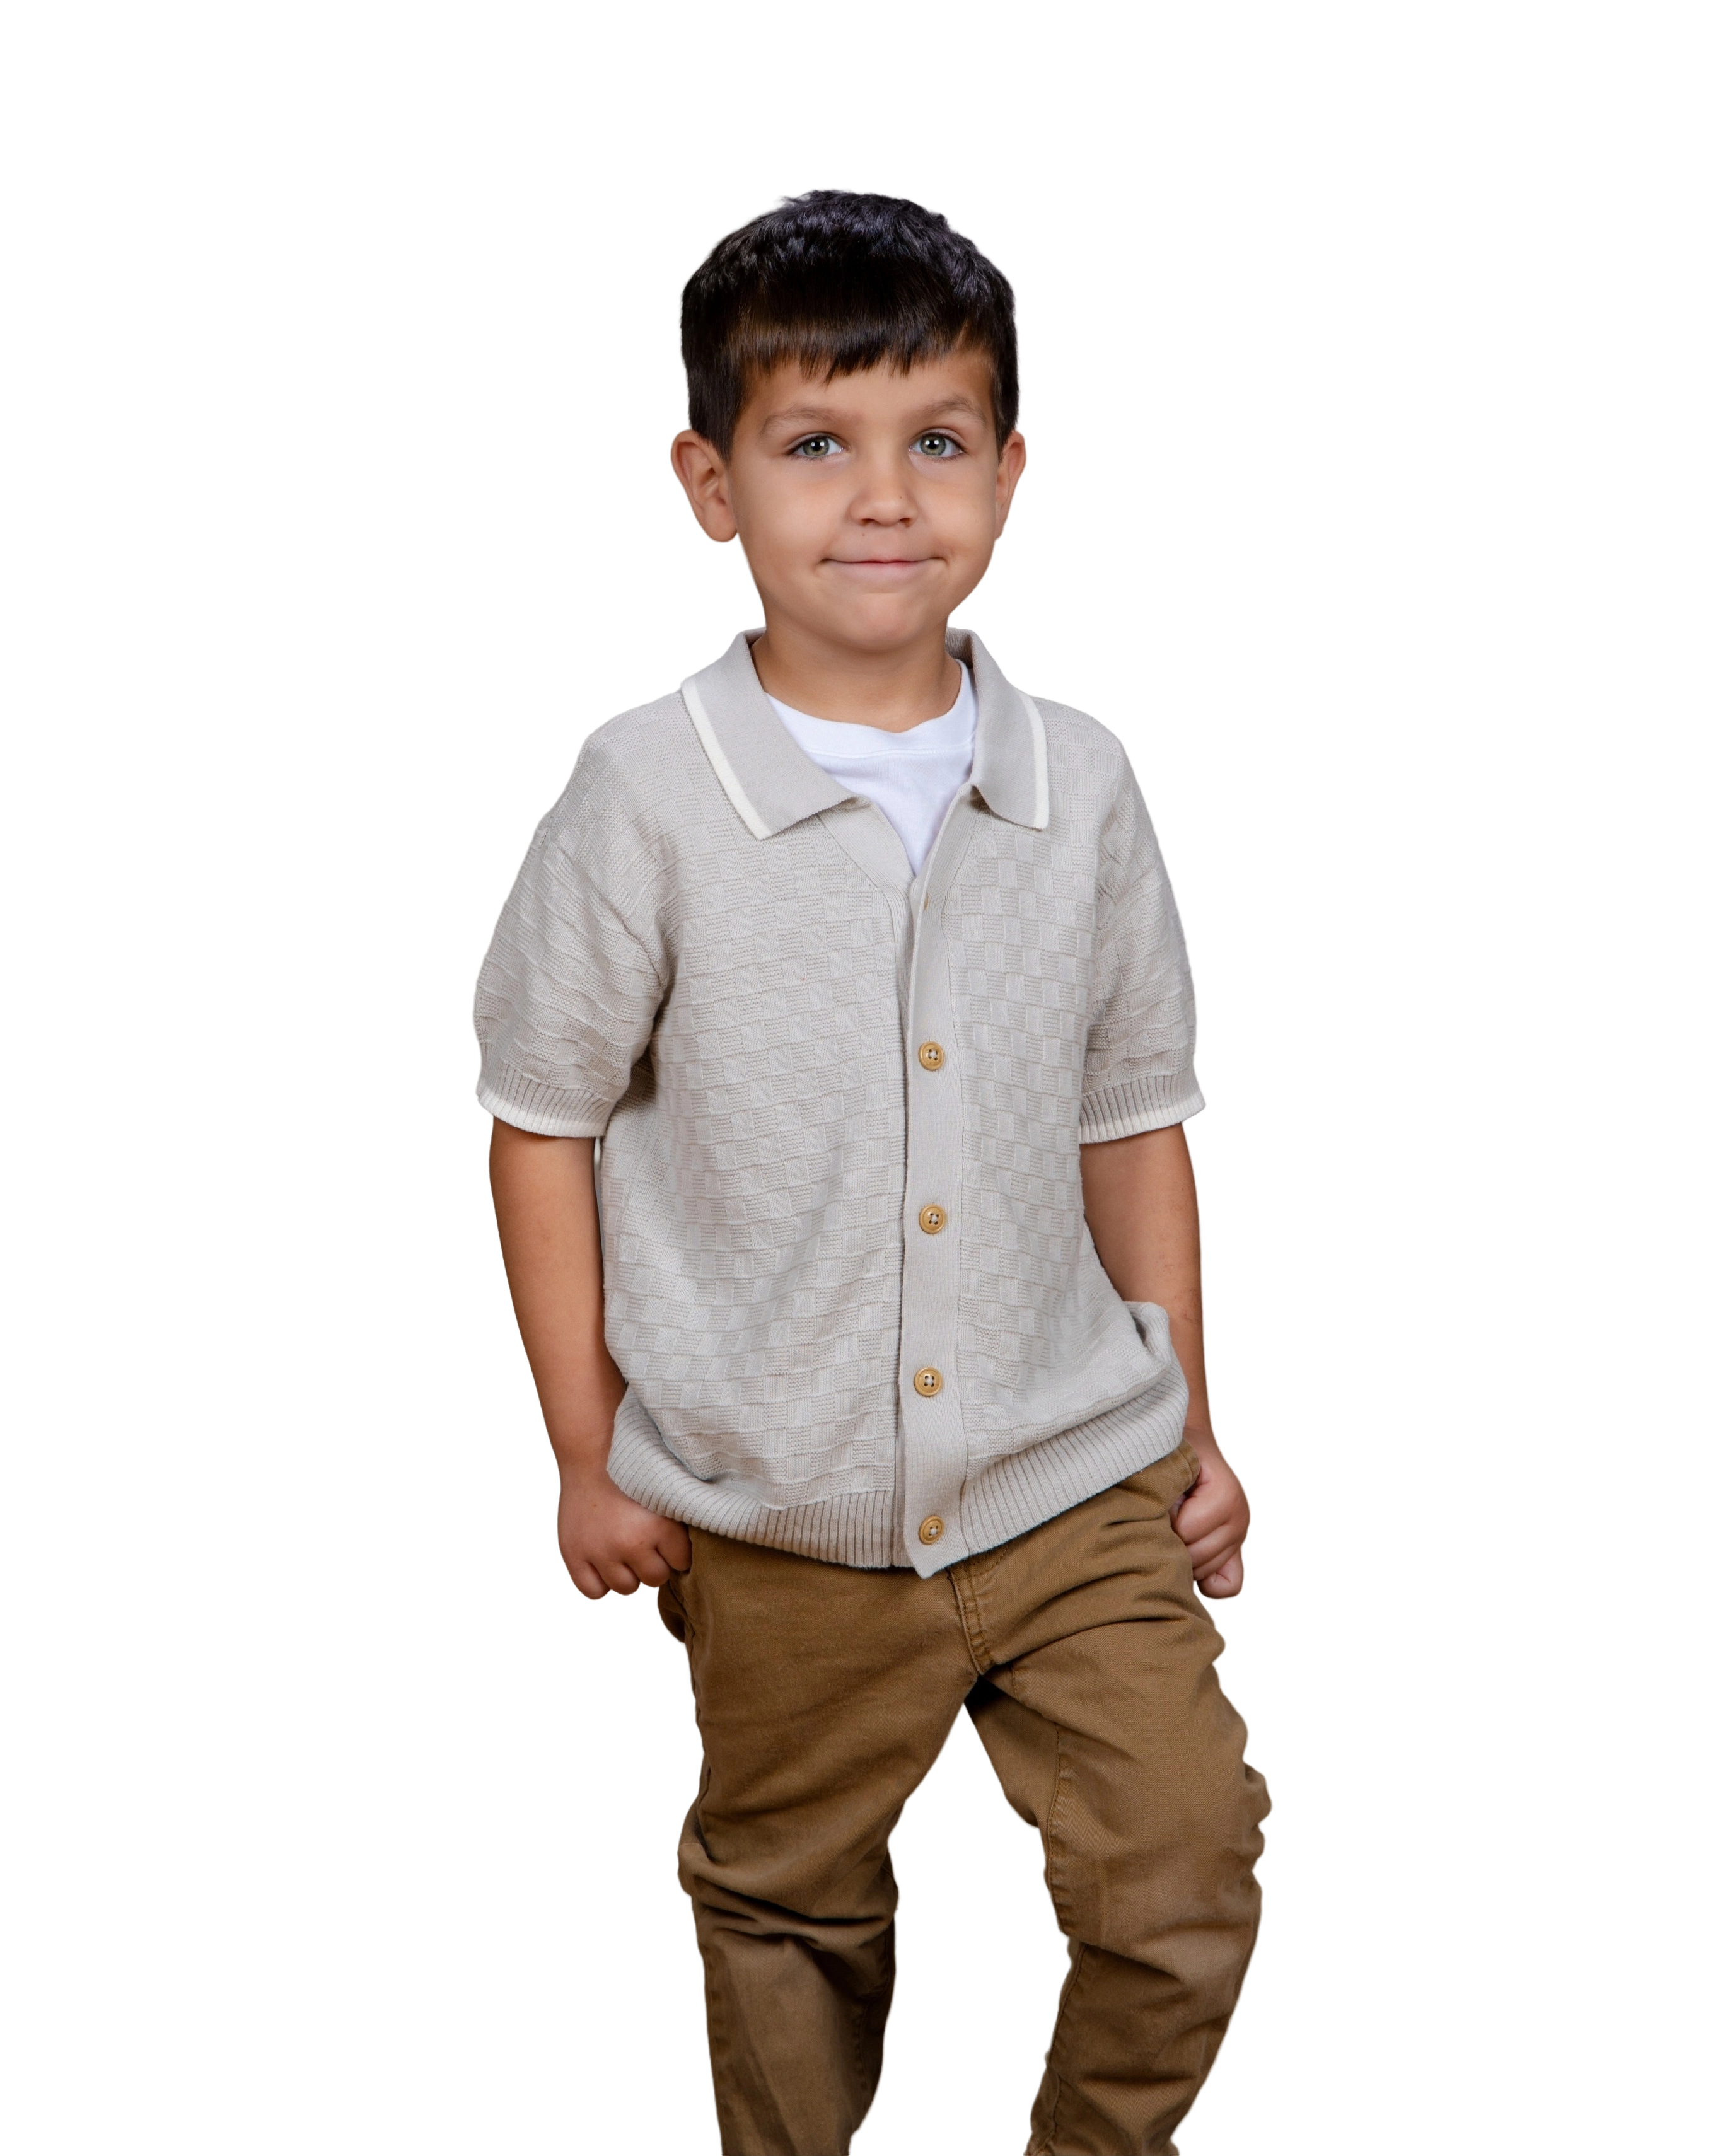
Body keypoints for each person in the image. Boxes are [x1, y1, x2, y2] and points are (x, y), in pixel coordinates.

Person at [471, 185, 1275, 2156]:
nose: (886, 497)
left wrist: (1189, 1413)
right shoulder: (646, 793)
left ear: (1013, 470)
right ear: (711, 483)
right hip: (774, 1507)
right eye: (816, 444)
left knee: (1186, 1867)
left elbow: (1134, 1117)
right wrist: (584, 1445)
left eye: (939, 439)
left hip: (1072, 1471)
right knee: (787, 1908)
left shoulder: (1083, 779)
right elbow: (540, 1116)